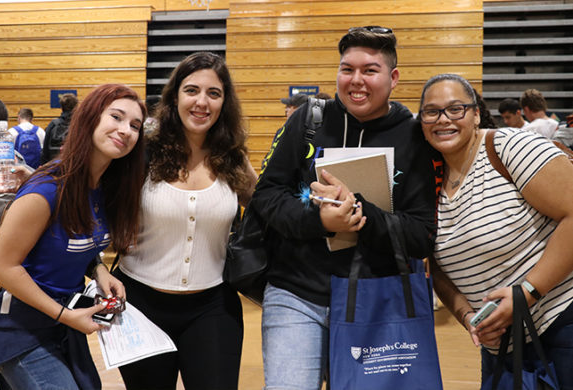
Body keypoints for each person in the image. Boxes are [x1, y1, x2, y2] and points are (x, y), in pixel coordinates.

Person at [251, 26, 442, 389]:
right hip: (297, 294)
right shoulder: (308, 121)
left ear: (393, 77)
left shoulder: (414, 136)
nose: (356, 80)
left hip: (379, 300)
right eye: (347, 69)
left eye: (370, 70)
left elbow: (420, 237)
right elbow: (267, 196)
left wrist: (360, 216)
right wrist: (319, 219)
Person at [112, 52, 257, 390]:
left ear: (224, 102)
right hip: (140, 306)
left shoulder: (233, 158)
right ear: (175, 96)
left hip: (213, 308)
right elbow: (92, 200)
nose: (201, 102)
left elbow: (269, 205)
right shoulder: (142, 152)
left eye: (214, 93)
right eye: (192, 90)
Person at [418, 73, 573, 388]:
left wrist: (527, 293)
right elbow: (436, 265)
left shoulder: (508, 146)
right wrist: (466, 317)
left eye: (455, 109)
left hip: (562, 324)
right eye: (431, 111)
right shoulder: (425, 179)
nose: (442, 119)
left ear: (476, 113)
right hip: (499, 347)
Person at [0, 84, 147, 389]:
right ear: (90, 119)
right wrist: (65, 315)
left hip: (64, 322)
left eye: (135, 125)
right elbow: (1, 267)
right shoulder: (47, 189)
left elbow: (73, 239)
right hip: (20, 328)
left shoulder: (104, 188)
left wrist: (99, 270)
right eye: (116, 117)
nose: (125, 130)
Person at [41, 93, 78, 164]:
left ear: (61, 107)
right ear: (76, 107)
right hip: (74, 165)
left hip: (54, 165)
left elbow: (45, 151)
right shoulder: (79, 124)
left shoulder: (53, 124)